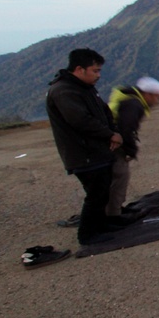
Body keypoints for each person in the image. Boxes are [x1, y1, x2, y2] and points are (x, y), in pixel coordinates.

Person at [45, 48, 124, 245]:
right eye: (95, 71)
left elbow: (104, 112)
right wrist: (110, 134)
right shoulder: (63, 91)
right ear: (79, 69)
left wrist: (113, 132)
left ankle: (102, 224)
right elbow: (80, 121)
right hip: (83, 153)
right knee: (95, 194)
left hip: (97, 150)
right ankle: (87, 235)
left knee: (104, 190)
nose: (98, 75)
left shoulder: (84, 87)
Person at [106, 77, 159, 217]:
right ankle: (113, 214)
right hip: (115, 145)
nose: (156, 101)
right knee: (120, 177)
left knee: (116, 178)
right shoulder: (134, 104)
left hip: (112, 142)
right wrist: (130, 150)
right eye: (156, 97)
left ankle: (115, 208)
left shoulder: (131, 100)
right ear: (148, 94)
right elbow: (126, 129)